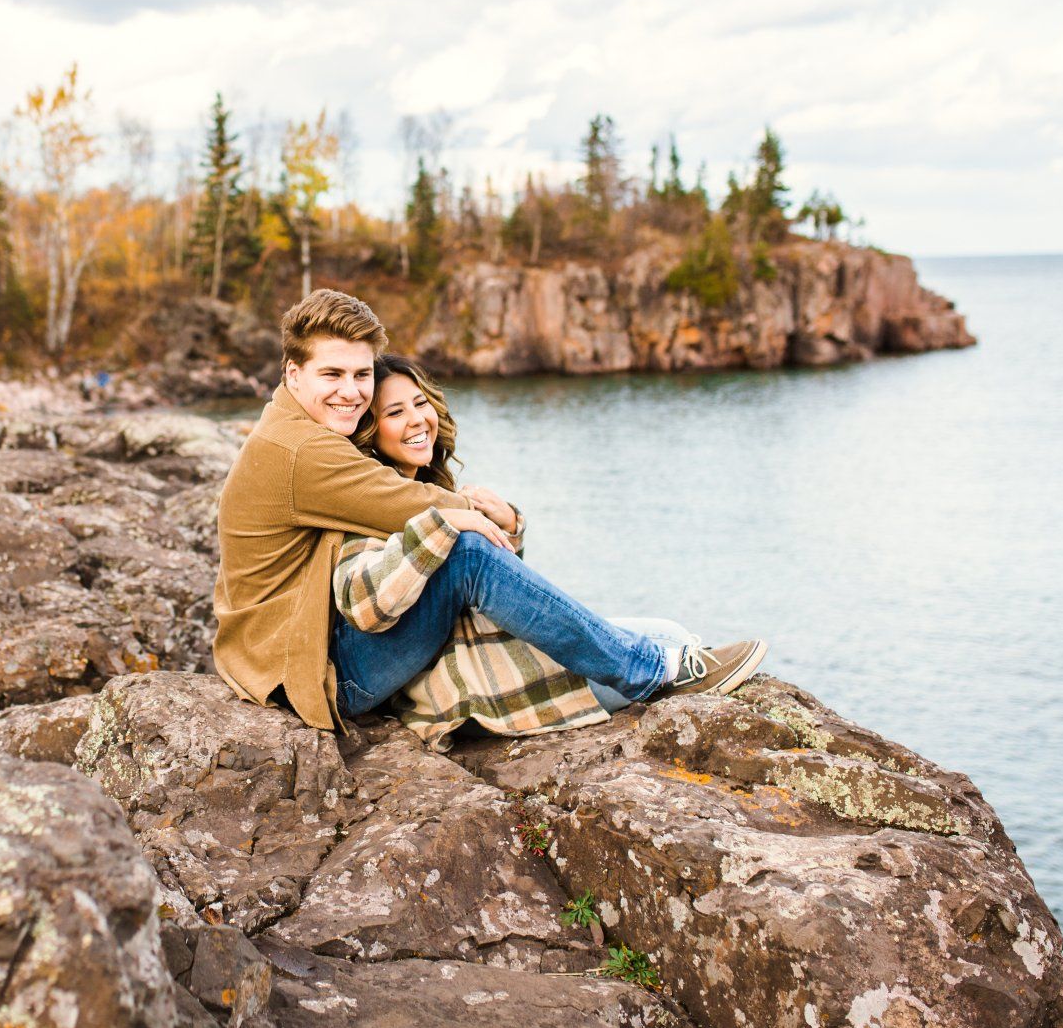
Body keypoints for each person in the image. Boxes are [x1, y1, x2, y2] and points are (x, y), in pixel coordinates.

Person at [213, 288, 764, 732]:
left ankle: (653, 660)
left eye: (361, 375)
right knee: (468, 552)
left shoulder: (293, 431)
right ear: (292, 373)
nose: (351, 392)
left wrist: (498, 520)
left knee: (661, 628)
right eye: (332, 375)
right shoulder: (300, 450)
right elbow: (408, 506)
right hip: (314, 671)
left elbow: (409, 503)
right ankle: (647, 673)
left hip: (299, 651)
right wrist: (477, 515)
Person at [335, 354, 759, 748]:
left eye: (419, 403)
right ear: (370, 433)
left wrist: (509, 530)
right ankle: (647, 671)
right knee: (661, 662)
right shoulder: (365, 495)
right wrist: (445, 524)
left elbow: (493, 593)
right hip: (373, 675)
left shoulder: (434, 491)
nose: (416, 419)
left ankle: (654, 665)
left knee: (673, 635)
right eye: (395, 412)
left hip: (453, 651)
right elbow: (364, 603)